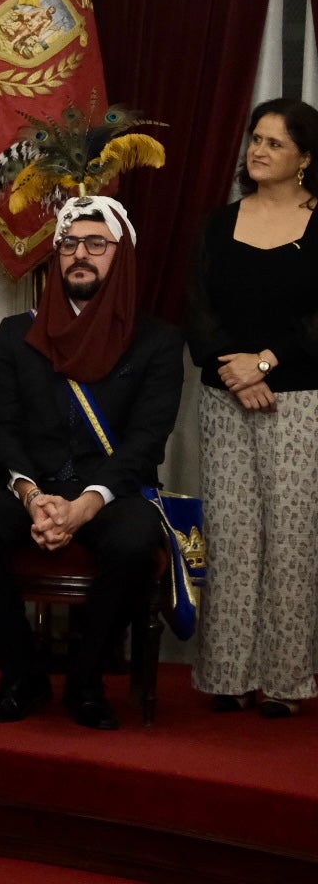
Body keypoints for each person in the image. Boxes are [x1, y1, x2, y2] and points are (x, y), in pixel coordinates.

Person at [0, 196, 180, 730]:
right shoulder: (15, 334)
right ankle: (23, 673)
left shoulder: (157, 343)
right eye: (70, 244)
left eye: (97, 244)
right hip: (34, 483)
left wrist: (84, 506)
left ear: (121, 258)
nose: (80, 254)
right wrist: (33, 497)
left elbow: (146, 442)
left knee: (131, 543)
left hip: (113, 490)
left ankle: (86, 680)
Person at [187, 97, 318, 718]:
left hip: (299, 402)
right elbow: (198, 308)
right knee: (230, 537)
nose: (258, 150)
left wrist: (265, 362)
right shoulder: (219, 224)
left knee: (290, 540)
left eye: (275, 142)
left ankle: (287, 683)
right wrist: (235, 371)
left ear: (306, 159)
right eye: (255, 138)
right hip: (224, 400)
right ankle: (227, 676)